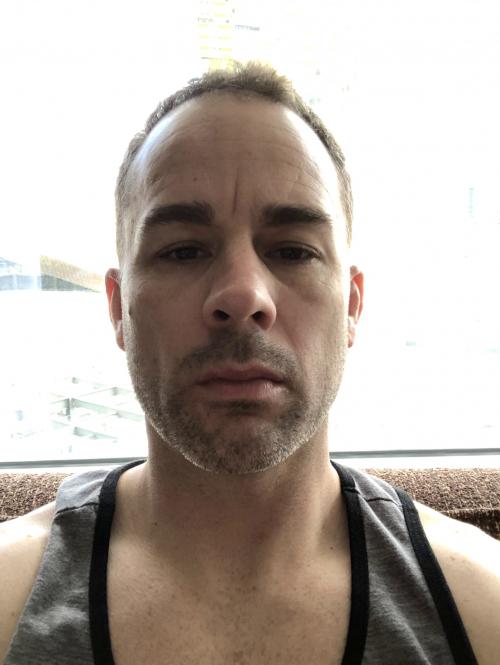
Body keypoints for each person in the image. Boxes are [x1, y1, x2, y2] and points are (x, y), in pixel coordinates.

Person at [1, 62, 499, 665]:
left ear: (351, 306)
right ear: (117, 309)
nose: (243, 296)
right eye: (183, 251)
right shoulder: (9, 594)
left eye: (293, 251)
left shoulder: (484, 607)